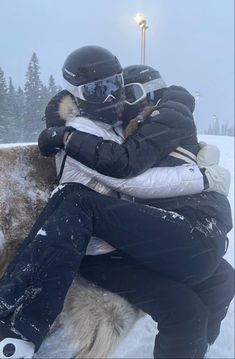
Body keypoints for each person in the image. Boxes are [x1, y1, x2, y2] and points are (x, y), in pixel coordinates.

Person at [0, 46, 233, 359]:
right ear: (78, 95)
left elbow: (138, 166)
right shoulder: (80, 130)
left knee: (209, 290)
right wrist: (201, 177)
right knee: (77, 199)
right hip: (97, 250)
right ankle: (16, 328)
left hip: (124, 244)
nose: (110, 98)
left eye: (115, 87)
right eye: (97, 90)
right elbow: (127, 176)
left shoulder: (118, 127)